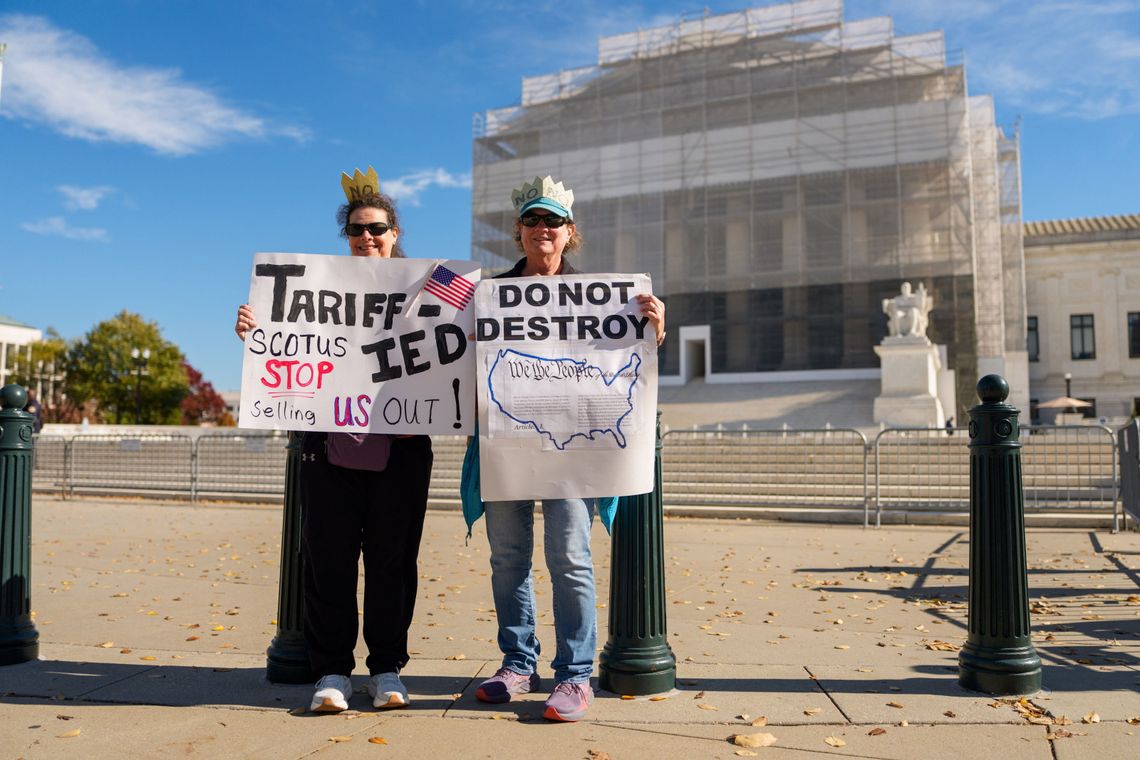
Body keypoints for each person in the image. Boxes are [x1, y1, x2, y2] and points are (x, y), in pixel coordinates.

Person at [234, 167, 432, 714]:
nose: (367, 237)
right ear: (346, 237)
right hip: (329, 450)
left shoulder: (426, 287)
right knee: (329, 563)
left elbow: (459, 332)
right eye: (356, 229)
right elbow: (285, 344)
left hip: (402, 450)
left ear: (394, 233)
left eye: (377, 228)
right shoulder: (313, 288)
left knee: (394, 565)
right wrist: (257, 329)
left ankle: (387, 668)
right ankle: (333, 671)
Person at [467, 175, 665, 722]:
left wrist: (653, 332)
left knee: (570, 558)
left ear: (569, 231)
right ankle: (517, 663)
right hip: (507, 444)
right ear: (519, 230)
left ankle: (575, 674)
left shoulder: (605, 298)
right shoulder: (488, 297)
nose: (542, 228)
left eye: (552, 220)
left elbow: (625, 364)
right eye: (532, 219)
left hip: (571, 451)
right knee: (508, 560)